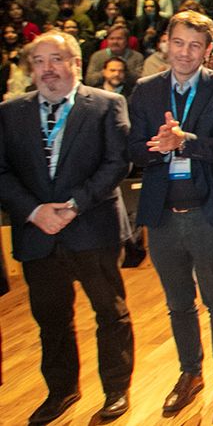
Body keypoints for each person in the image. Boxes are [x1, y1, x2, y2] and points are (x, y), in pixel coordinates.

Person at [0, 31, 134, 425]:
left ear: (75, 63)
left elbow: (117, 163)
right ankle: (61, 391)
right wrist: (35, 211)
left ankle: (115, 390)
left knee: (110, 313)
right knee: (51, 319)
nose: (47, 69)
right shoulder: (10, 112)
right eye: (39, 61)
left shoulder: (107, 105)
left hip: (91, 227)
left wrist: (74, 205)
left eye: (56, 59)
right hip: (37, 232)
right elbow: (2, 172)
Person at [126, 10, 213, 418]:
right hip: (162, 214)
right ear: (166, 43)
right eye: (178, 43)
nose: (184, 52)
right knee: (178, 303)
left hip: (208, 211)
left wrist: (185, 142)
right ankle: (189, 373)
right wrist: (157, 145)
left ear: (208, 51)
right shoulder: (144, 91)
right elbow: (131, 151)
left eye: (195, 45)